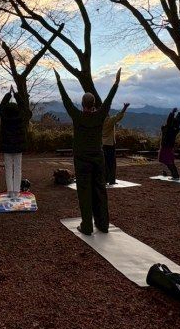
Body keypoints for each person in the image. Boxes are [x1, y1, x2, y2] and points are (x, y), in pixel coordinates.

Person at [55, 69, 121, 235]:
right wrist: (116, 83)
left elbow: (66, 100)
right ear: (93, 105)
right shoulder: (100, 116)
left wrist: (59, 82)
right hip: (98, 158)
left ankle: (87, 226)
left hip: (82, 159)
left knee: (84, 191)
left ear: (82, 104)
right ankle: (103, 224)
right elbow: (108, 101)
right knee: (100, 190)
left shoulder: (78, 116)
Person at [0, 86, 27, 198]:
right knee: (18, 168)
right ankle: (16, 191)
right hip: (18, 146)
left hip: (7, 146)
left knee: (8, 169)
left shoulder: (4, 117)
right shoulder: (20, 117)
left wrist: (8, 95)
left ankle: (10, 192)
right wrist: (16, 95)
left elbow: (1, 107)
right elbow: (23, 107)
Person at [102, 102, 130, 186]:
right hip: (110, 144)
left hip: (102, 144)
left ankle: (105, 179)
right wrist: (124, 107)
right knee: (112, 163)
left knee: (105, 163)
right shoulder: (109, 121)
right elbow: (119, 116)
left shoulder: (100, 121)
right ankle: (111, 180)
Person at [159, 108, 180, 180]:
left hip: (166, 147)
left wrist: (172, 112)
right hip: (169, 147)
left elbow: (170, 121)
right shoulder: (175, 129)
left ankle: (175, 176)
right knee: (169, 161)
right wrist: (179, 113)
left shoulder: (168, 129)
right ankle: (175, 175)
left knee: (168, 162)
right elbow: (176, 120)